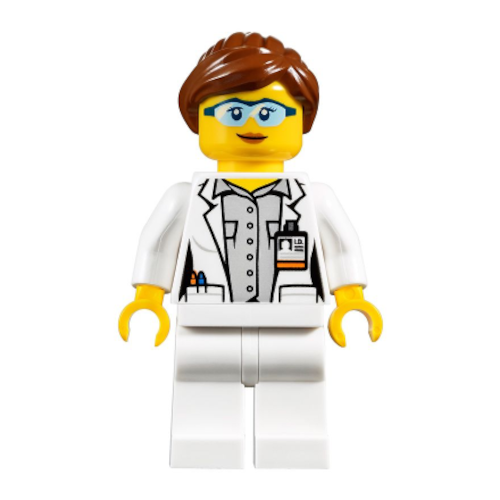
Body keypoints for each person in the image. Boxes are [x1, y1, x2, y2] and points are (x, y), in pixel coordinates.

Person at [119, 32, 383, 469]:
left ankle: (294, 452)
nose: (252, 124)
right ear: (199, 120)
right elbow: (158, 244)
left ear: (301, 119)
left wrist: (350, 298)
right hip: (206, 322)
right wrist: (147, 298)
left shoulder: (314, 197)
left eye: (270, 111)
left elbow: (341, 247)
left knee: (297, 395)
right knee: (201, 396)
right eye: (233, 112)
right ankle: (204, 453)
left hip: (294, 322)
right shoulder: (185, 197)